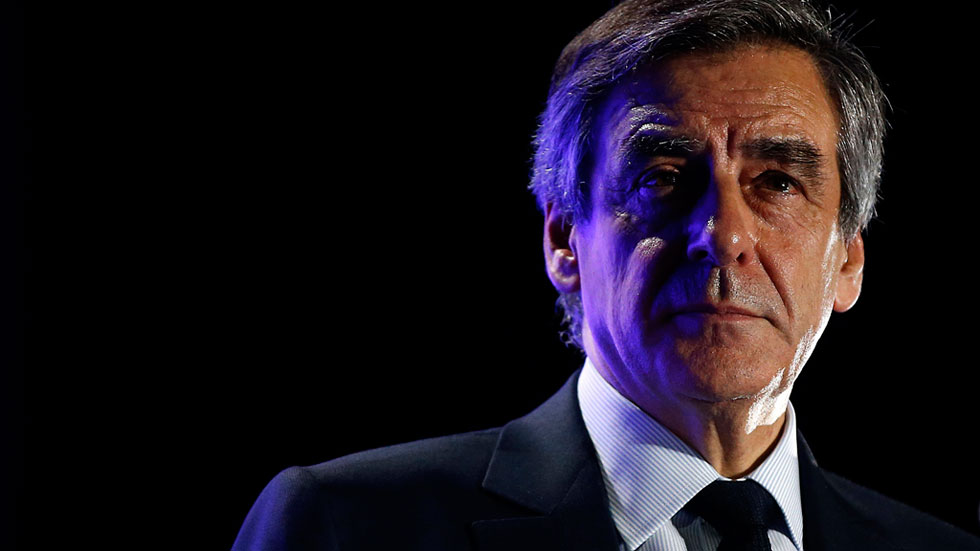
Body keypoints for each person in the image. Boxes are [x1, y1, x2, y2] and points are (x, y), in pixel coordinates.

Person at [232, 1, 980, 549]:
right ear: (564, 240)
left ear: (847, 259)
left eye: (778, 182)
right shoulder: (345, 526)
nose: (724, 236)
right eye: (662, 178)